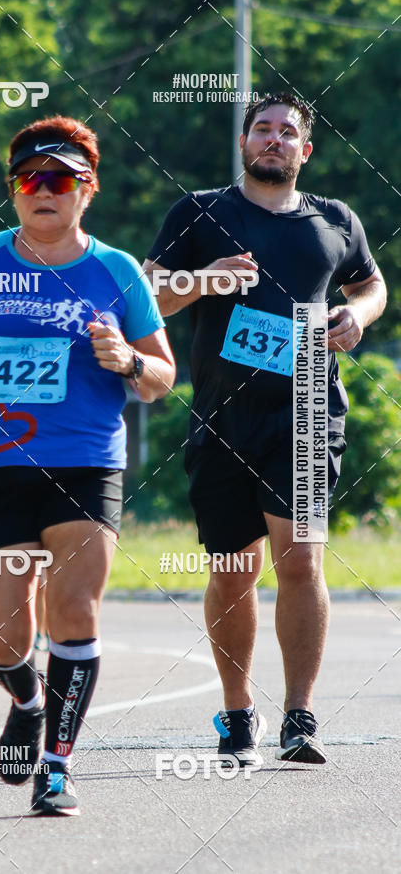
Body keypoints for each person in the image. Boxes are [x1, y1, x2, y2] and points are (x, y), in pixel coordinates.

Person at [0, 115, 175, 815]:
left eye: (60, 179)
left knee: (75, 611)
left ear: (86, 191)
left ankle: (57, 767)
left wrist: (129, 360)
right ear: (13, 190)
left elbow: (163, 376)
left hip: (85, 464)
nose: (44, 190)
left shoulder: (116, 271)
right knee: (1, 639)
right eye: (30, 178)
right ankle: (27, 701)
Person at [143, 92, 386, 767]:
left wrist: (358, 316)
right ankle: (236, 709)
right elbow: (145, 297)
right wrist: (203, 280)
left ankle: (300, 716)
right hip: (223, 416)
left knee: (302, 559)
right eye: (263, 130)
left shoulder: (334, 219)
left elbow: (371, 285)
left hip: (308, 412)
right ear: (245, 143)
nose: (274, 140)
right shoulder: (199, 212)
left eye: (288, 133)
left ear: (305, 150)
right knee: (232, 570)